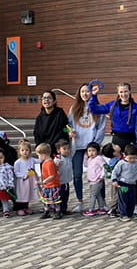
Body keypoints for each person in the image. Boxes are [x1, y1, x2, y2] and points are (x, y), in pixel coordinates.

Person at [68, 82, 106, 213]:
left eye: (88, 91)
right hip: (78, 146)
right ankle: (80, 201)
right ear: (79, 93)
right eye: (82, 91)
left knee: (99, 175)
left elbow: (101, 128)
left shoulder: (98, 109)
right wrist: (69, 133)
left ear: (92, 92)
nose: (85, 93)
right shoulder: (74, 109)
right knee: (77, 174)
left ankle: (102, 202)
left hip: (92, 146)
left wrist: (95, 144)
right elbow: (68, 125)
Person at [89, 82, 137, 150]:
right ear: (118, 93)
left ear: (129, 91)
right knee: (115, 160)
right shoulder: (112, 105)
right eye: (121, 92)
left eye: (126, 91)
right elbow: (94, 109)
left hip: (131, 139)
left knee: (131, 160)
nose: (123, 94)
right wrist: (94, 95)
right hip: (117, 139)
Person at [34, 90, 69, 154]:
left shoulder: (60, 113)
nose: (46, 100)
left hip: (58, 149)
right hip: (45, 151)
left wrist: (69, 131)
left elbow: (66, 128)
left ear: (54, 101)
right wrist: (40, 146)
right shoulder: (39, 117)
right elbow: (36, 134)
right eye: (44, 98)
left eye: (49, 98)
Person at [14, 139, 39, 216]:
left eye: (27, 150)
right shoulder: (18, 162)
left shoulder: (31, 160)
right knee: (22, 194)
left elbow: (40, 160)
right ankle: (20, 208)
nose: (25, 152)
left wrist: (43, 154)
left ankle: (26, 207)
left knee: (28, 193)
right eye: (22, 150)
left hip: (30, 180)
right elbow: (16, 172)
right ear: (19, 152)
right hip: (22, 181)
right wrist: (24, 176)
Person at [36, 143, 62, 220]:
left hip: (52, 185)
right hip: (47, 185)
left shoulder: (49, 163)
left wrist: (44, 181)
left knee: (55, 199)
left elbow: (52, 175)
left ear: (44, 154)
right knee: (46, 199)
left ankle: (58, 212)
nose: (38, 157)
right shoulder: (44, 162)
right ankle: (46, 211)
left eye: (39, 155)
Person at [83, 142, 107, 216]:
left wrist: (101, 176)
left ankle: (91, 209)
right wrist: (85, 156)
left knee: (92, 195)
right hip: (92, 180)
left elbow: (105, 167)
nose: (91, 153)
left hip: (97, 180)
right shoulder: (90, 159)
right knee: (98, 195)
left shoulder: (99, 158)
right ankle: (101, 208)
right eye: (89, 151)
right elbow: (86, 165)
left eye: (93, 150)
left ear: (97, 151)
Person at [53, 139, 73, 216]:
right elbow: (53, 169)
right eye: (64, 149)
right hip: (59, 182)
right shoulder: (57, 159)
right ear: (58, 150)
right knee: (59, 197)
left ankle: (64, 209)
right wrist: (57, 165)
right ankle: (57, 210)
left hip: (66, 182)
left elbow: (73, 149)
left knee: (65, 197)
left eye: (68, 148)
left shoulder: (68, 157)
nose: (67, 150)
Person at [102, 143, 122, 217]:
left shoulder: (120, 157)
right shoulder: (114, 161)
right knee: (116, 195)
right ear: (114, 152)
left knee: (118, 194)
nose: (117, 145)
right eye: (114, 146)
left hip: (121, 180)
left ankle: (118, 208)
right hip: (117, 181)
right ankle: (113, 209)